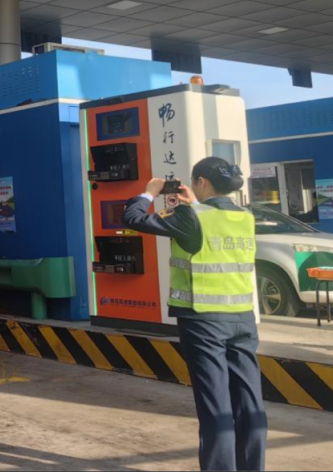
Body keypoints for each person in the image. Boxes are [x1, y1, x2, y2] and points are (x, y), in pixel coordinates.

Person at [122, 156, 266, 472]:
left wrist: (149, 193)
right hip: (242, 317)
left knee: (215, 405)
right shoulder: (245, 216)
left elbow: (132, 218)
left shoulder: (190, 216)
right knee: (249, 403)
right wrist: (192, 204)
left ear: (201, 181)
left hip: (204, 321)